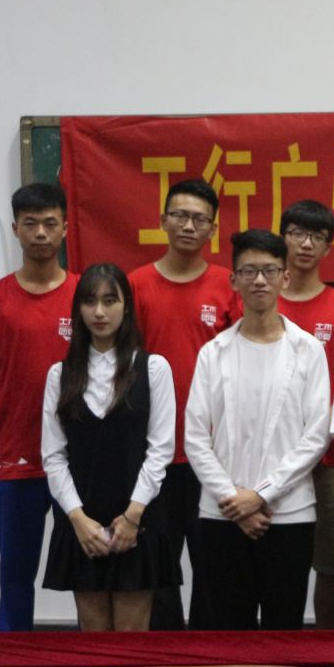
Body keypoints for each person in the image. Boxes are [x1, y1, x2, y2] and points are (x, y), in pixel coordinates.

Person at [183, 230, 331, 630]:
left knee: (284, 630)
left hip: (289, 514)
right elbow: (195, 437)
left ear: (285, 277)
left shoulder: (308, 350)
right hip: (222, 513)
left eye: (269, 271)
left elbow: (316, 435)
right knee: (230, 631)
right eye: (249, 271)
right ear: (234, 280)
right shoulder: (213, 353)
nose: (259, 280)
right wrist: (234, 499)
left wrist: (261, 494)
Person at [127, 178, 241, 629]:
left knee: (212, 565)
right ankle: (164, 659)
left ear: (212, 228)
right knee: (159, 566)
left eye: (199, 219)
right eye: (180, 216)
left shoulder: (228, 286)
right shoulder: (136, 285)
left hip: (214, 454)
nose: (189, 226)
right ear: (163, 221)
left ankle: (208, 658)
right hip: (154, 453)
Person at [40, 263, 175, 632]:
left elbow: (160, 451)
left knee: (131, 645)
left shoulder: (154, 368)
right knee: (92, 643)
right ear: (78, 310)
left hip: (138, 517)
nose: (99, 312)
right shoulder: (60, 375)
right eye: (90, 301)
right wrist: (78, 520)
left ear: (126, 306)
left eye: (109, 301)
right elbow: (53, 457)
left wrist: (132, 517)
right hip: (82, 521)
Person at [0, 182, 78, 631]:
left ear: (65, 228)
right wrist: (6, 426)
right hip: (13, 459)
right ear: (15, 229)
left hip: (77, 459)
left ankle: (93, 660)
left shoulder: (86, 297)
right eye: (30, 224)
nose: (41, 233)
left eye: (50, 223)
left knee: (89, 571)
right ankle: (14, 662)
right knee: (15, 575)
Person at [275, 199, 334, 629]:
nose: (306, 244)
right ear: (283, 237)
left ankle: (326, 643)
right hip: (272, 456)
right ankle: (279, 641)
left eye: (317, 237)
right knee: (278, 553)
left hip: (332, 457)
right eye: (297, 233)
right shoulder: (261, 301)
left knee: (331, 562)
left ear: (329, 248)